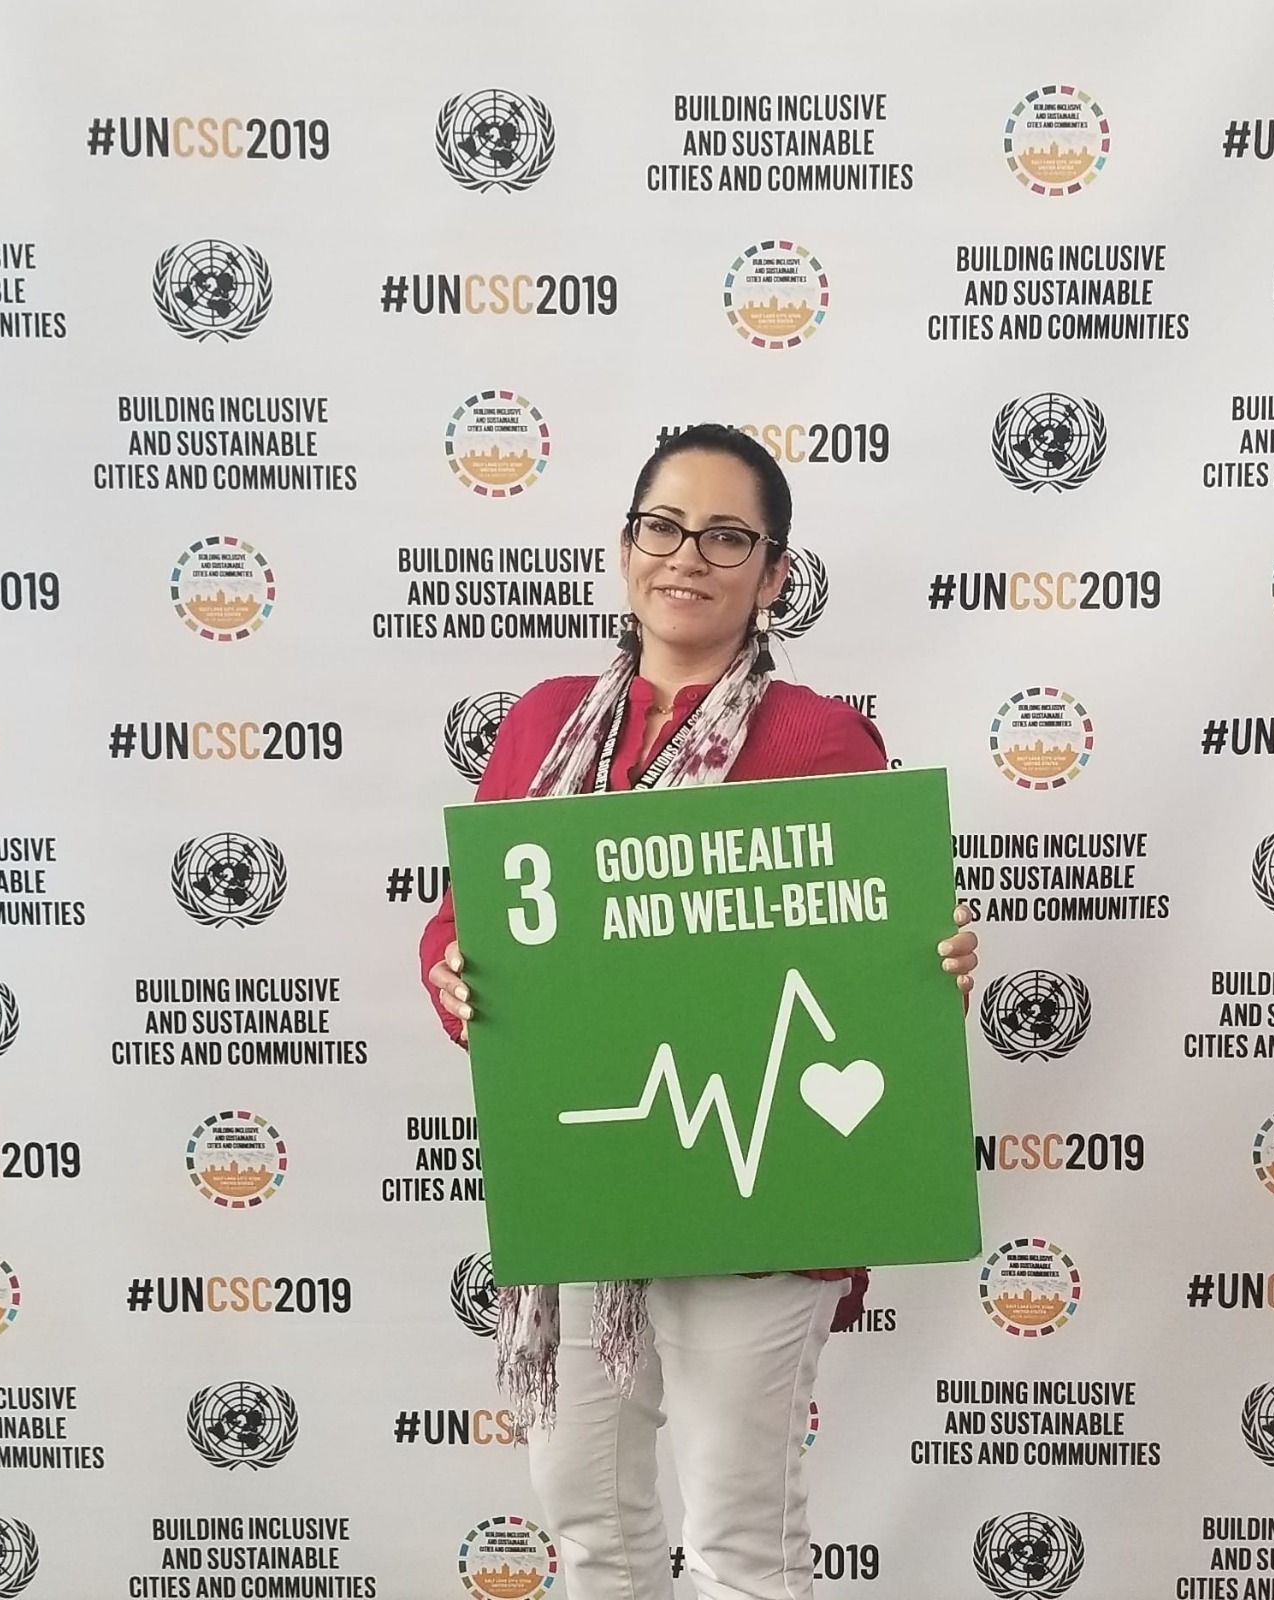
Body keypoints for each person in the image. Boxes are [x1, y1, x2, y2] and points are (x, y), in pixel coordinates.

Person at [419, 423, 979, 1600]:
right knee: (588, 1521)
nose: (688, 556)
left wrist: (928, 959)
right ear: (626, 546)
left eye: (728, 537)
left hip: (761, 1195)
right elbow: (469, 918)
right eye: (664, 527)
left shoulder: (822, 738)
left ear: (774, 575)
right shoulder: (542, 722)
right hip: (589, 1181)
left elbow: (867, 939)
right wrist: (454, 967)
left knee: (739, 1542)